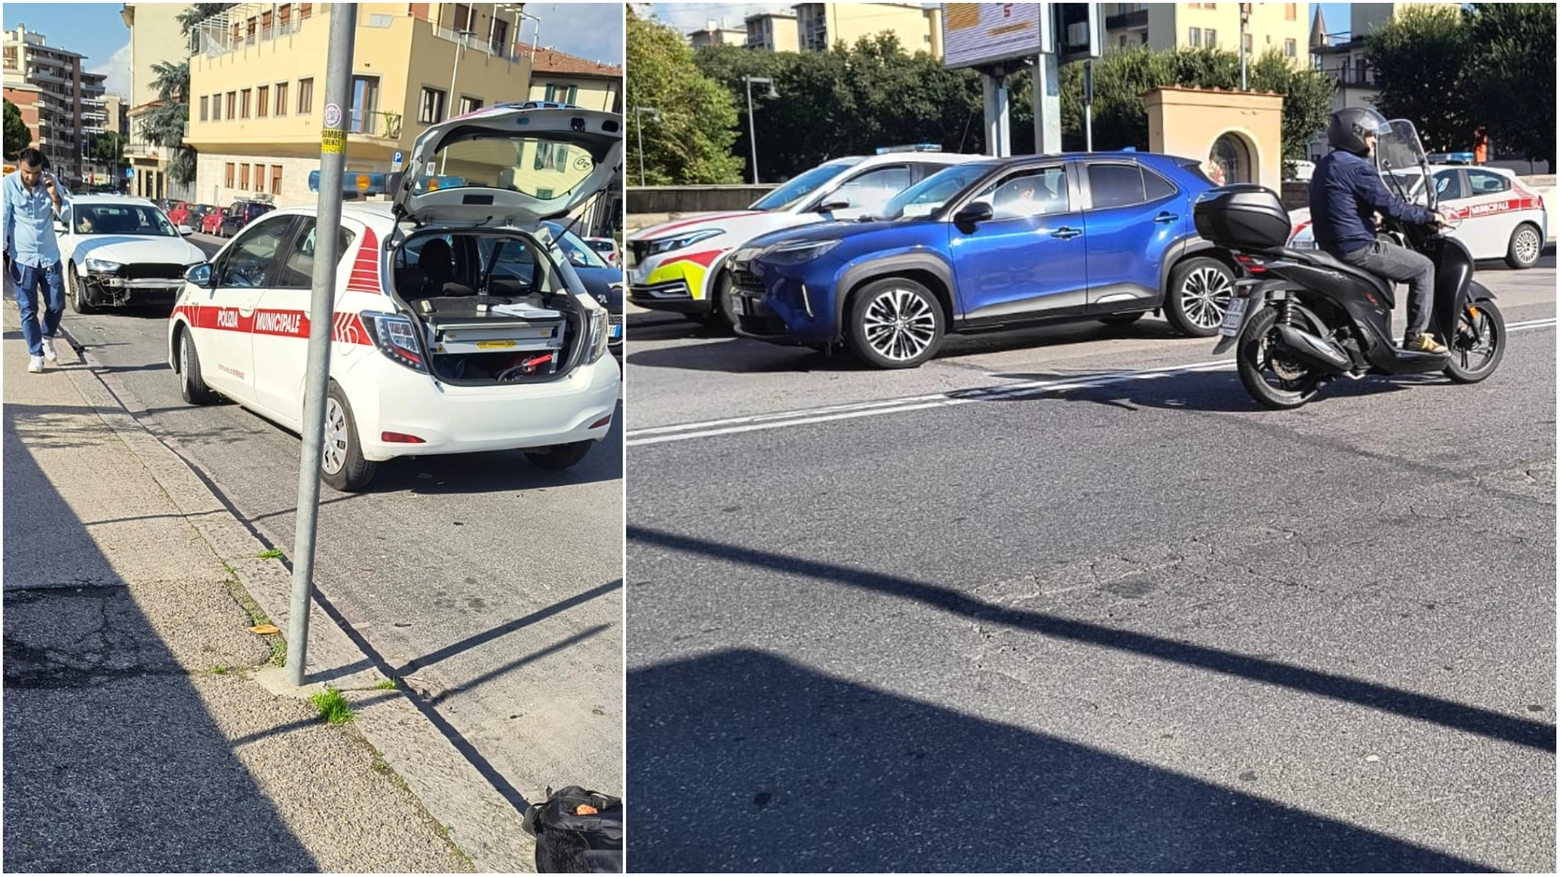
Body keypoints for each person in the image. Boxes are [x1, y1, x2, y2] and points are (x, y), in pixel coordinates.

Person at [1309, 107, 1452, 354]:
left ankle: (1373, 330)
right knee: (1424, 268)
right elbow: (1393, 208)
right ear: (1355, 135)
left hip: (1330, 245)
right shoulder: (1358, 167)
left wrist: (1366, 216)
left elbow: (1340, 201)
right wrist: (1430, 216)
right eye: (1369, 135)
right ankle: (1416, 336)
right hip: (1356, 248)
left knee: (1387, 246)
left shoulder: (1325, 165)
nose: (1374, 140)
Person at [2, 148, 71, 373]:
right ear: (19, 167)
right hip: (23, 258)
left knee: (57, 303)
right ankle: (35, 354)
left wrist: (55, 196)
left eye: (36, 172)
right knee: (27, 309)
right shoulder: (8, 185)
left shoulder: (50, 181)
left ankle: (47, 336)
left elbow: (67, 216)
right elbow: (3, 218)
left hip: (49, 256)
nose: (32, 177)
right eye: (27, 172)